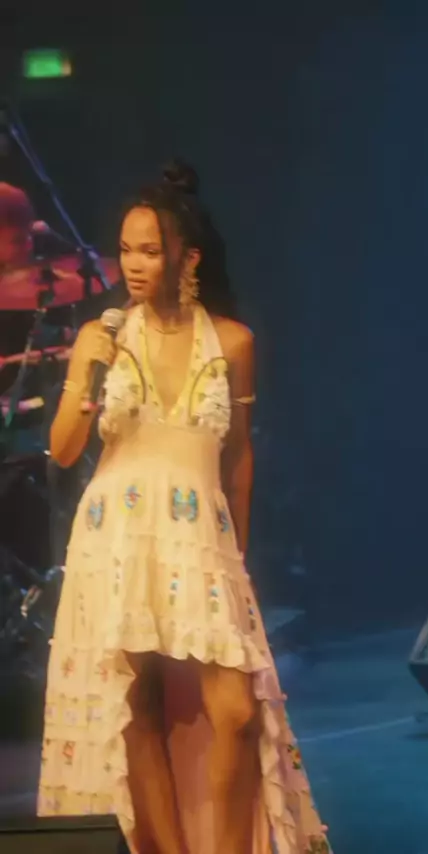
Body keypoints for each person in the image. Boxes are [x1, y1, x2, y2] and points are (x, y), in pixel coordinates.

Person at [37, 163, 330, 854]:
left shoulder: (232, 342)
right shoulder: (102, 335)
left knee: (235, 709)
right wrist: (86, 374)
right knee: (133, 705)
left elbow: (238, 458)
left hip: (199, 539)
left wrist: (239, 554)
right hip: (116, 535)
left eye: (149, 250)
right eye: (125, 250)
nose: (132, 264)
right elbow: (63, 450)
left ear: (188, 258)